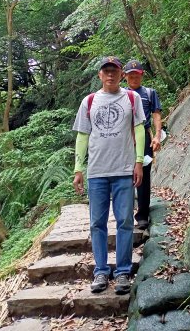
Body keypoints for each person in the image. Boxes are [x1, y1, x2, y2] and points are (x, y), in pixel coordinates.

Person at [72, 57, 146, 294]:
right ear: (100, 75)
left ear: (121, 74)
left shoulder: (132, 99)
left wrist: (138, 162)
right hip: (97, 172)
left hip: (124, 170)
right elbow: (82, 135)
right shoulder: (89, 101)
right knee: (97, 223)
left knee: (125, 222)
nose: (110, 75)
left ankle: (123, 271)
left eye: (114, 71)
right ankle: (101, 272)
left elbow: (139, 130)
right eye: (106, 71)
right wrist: (78, 169)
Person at [123, 59, 163, 230]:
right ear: (124, 76)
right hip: (123, 137)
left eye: (136, 74)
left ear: (142, 75)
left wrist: (157, 136)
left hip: (144, 136)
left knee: (144, 174)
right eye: (130, 75)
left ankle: (142, 215)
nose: (134, 78)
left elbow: (156, 115)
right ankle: (124, 213)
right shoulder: (120, 93)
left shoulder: (149, 93)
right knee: (123, 173)